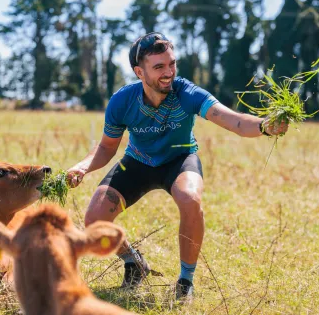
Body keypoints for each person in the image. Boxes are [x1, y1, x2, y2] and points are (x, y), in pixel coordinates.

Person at [66, 32, 288, 301]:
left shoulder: (188, 93)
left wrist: (265, 126)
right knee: (94, 220)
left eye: (172, 63)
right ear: (139, 72)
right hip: (138, 161)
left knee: (190, 198)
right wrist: (82, 167)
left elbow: (236, 122)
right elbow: (106, 148)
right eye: (159, 67)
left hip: (180, 160)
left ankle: (185, 282)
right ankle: (134, 262)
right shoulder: (122, 101)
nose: (168, 72)